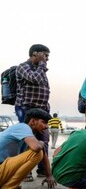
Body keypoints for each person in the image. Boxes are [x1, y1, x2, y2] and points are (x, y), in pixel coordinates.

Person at [15, 44, 55, 181]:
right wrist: (42, 65)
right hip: (26, 108)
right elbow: (35, 79)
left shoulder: (41, 69)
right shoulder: (23, 67)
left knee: (44, 140)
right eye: (45, 55)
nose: (47, 59)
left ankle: (43, 170)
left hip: (41, 109)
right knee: (26, 140)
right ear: (35, 53)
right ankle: (24, 171)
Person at [0, 108, 55, 189]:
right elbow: (37, 148)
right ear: (32, 121)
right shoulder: (23, 127)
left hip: (3, 168)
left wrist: (49, 175)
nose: (47, 126)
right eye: (44, 122)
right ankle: (9, 187)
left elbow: (43, 154)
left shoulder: (27, 136)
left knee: (39, 151)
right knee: (37, 153)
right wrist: (42, 143)